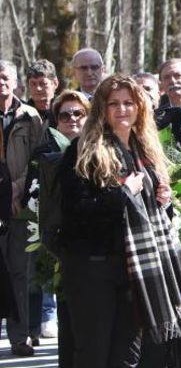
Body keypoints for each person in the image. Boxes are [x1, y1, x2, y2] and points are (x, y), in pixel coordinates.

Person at [58, 74, 181, 367]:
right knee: (94, 354)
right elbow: (76, 212)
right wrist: (122, 194)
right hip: (93, 268)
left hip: (135, 270)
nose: (122, 109)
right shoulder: (83, 150)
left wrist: (164, 201)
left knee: (128, 356)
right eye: (114, 103)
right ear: (102, 109)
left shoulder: (143, 150)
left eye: (128, 103)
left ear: (140, 107)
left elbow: (152, 214)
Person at [27, 90, 90, 366]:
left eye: (78, 113)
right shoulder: (45, 155)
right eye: (64, 115)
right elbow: (36, 198)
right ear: (56, 121)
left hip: (100, 252)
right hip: (64, 250)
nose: (72, 119)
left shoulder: (103, 150)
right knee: (69, 328)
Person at [0, 60, 44, 357]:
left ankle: (20, 336)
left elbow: (37, 158)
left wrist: (17, 187)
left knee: (20, 271)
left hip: (20, 203)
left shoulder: (30, 116)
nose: (1, 82)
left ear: (15, 82)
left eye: (5, 77)